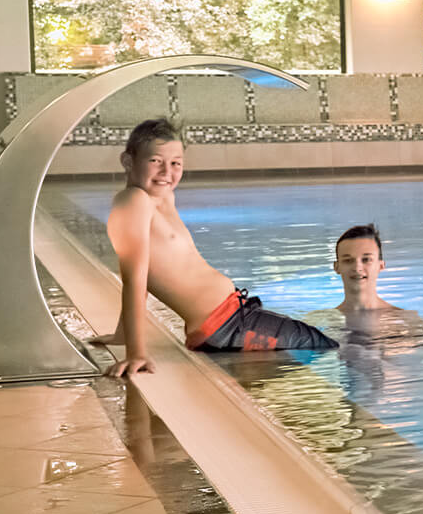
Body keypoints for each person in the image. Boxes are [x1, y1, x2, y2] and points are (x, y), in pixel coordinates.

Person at [96, 119, 335, 378]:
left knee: (314, 339)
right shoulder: (133, 202)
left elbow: (148, 272)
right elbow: (134, 278)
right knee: (320, 344)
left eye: (175, 163)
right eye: (155, 161)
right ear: (128, 161)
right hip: (225, 325)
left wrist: (122, 333)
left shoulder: (161, 198)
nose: (167, 172)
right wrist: (136, 353)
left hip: (234, 316)